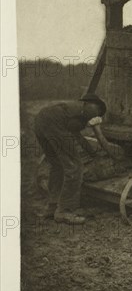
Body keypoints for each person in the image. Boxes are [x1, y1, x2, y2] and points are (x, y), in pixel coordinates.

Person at [34, 93, 107, 224]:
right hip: (54, 124)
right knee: (75, 167)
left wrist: (92, 153)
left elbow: (77, 136)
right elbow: (76, 133)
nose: (97, 115)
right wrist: (96, 127)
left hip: (41, 120)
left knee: (58, 166)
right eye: (99, 113)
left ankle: (52, 206)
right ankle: (65, 211)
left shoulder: (71, 109)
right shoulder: (91, 109)